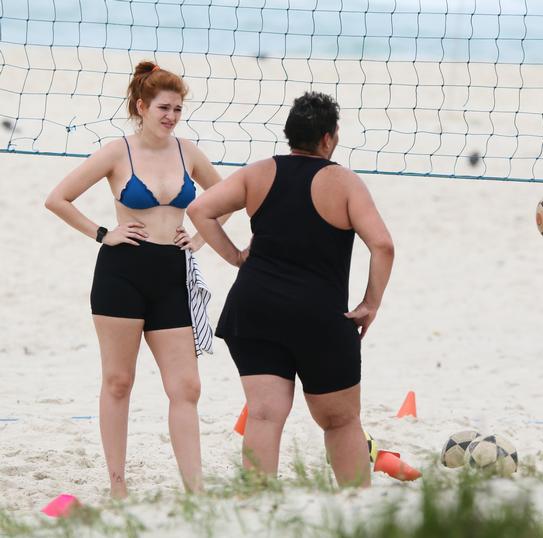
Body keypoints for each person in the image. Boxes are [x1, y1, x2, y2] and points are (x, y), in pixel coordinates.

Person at [188, 91, 394, 487]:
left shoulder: (258, 172)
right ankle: (357, 506)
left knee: (264, 413)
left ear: (290, 135)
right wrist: (371, 302)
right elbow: (382, 245)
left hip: (255, 308)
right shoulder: (344, 181)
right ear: (329, 138)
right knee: (340, 420)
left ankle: (258, 506)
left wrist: (234, 256)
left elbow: (200, 210)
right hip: (317, 316)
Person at [45, 61, 224, 497]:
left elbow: (226, 198)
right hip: (121, 272)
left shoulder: (188, 151)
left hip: (171, 273)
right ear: (141, 106)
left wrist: (199, 239)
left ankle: (195, 490)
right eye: (164, 107)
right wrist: (104, 234)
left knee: (187, 386)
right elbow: (57, 198)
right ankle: (118, 485)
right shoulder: (116, 152)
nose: (172, 116)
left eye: (178, 109)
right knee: (119, 381)